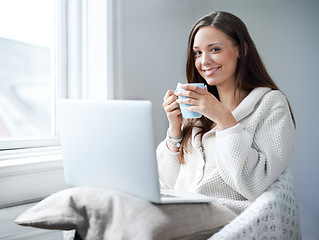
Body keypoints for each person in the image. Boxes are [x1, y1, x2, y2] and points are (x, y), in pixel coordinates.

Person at [156, 11, 296, 216]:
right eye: (197, 53)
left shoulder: (271, 104)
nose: (204, 61)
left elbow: (254, 184)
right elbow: (168, 184)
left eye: (214, 49)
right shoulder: (196, 111)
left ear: (241, 49)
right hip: (179, 210)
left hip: (224, 215)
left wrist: (224, 119)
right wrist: (175, 129)